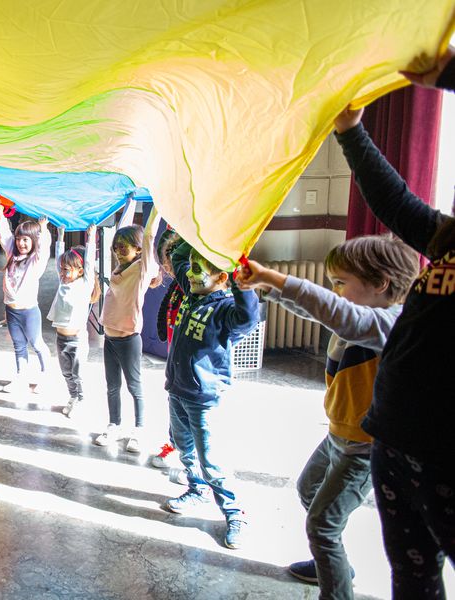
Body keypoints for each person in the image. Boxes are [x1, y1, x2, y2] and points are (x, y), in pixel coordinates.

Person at [331, 46, 454, 598]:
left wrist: (449, 75)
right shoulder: (448, 239)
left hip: (448, 454)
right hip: (395, 439)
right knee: (412, 575)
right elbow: (395, 202)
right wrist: (352, 132)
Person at [238, 237, 418, 598]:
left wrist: (276, 279)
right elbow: (323, 312)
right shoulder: (363, 318)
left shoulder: (391, 323)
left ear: (381, 284)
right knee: (309, 492)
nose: (334, 291)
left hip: (364, 447)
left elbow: (340, 315)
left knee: (322, 527)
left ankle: (335, 587)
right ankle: (335, 565)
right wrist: (269, 290)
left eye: (340, 282)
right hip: (338, 433)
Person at [162, 239, 259, 550]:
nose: (191, 275)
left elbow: (249, 317)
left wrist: (244, 279)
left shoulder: (226, 310)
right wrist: (190, 237)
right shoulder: (191, 296)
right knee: (184, 448)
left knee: (211, 460)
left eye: (199, 271)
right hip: (177, 390)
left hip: (204, 399)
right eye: (191, 270)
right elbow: (178, 258)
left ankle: (234, 512)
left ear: (222, 278)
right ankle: (196, 489)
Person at [93, 207, 159, 453]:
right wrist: (129, 204)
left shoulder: (142, 270)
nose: (119, 250)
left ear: (139, 250)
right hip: (110, 337)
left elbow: (149, 234)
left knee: (134, 386)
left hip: (128, 339)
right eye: (117, 247)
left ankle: (139, 430)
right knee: (112, 385)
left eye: (125, 247)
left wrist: (158, 206)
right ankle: (114, 425)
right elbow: (119, 232)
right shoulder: (118, 269)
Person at [0, 208, 52, 394]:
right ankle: (21, 377)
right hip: (12, 311)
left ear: (33, 241)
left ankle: (46, 376)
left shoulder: (35, 262)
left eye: (26, 239)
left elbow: (44, 249)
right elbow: (4, 235)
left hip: (29, 312)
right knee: (19, 346)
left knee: (36, 344)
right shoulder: (12, 255)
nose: (21, 243)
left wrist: (43, 230)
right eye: (19, 239)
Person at [48, 223, 98, 417]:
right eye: (62, 269)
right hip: (61, 339)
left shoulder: (84, 285)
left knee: (78, 374)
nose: (62, 273)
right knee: (66, 372)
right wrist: (60, 236)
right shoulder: (63, 282)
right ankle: (72, 396)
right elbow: (57, 263)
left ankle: (81, 399)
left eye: (67, 269)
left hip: (77, 340)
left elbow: (89, 261)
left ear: (79, 271)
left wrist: (91, 237)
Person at [150, 228, 186, 473]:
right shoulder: (176, 288)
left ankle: (191, 464)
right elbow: (166, 310)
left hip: (192, 363)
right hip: (175, 358)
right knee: (175, 403)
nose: (166, 267)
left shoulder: (195, 291)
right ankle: (175, 443)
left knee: (188, 412)